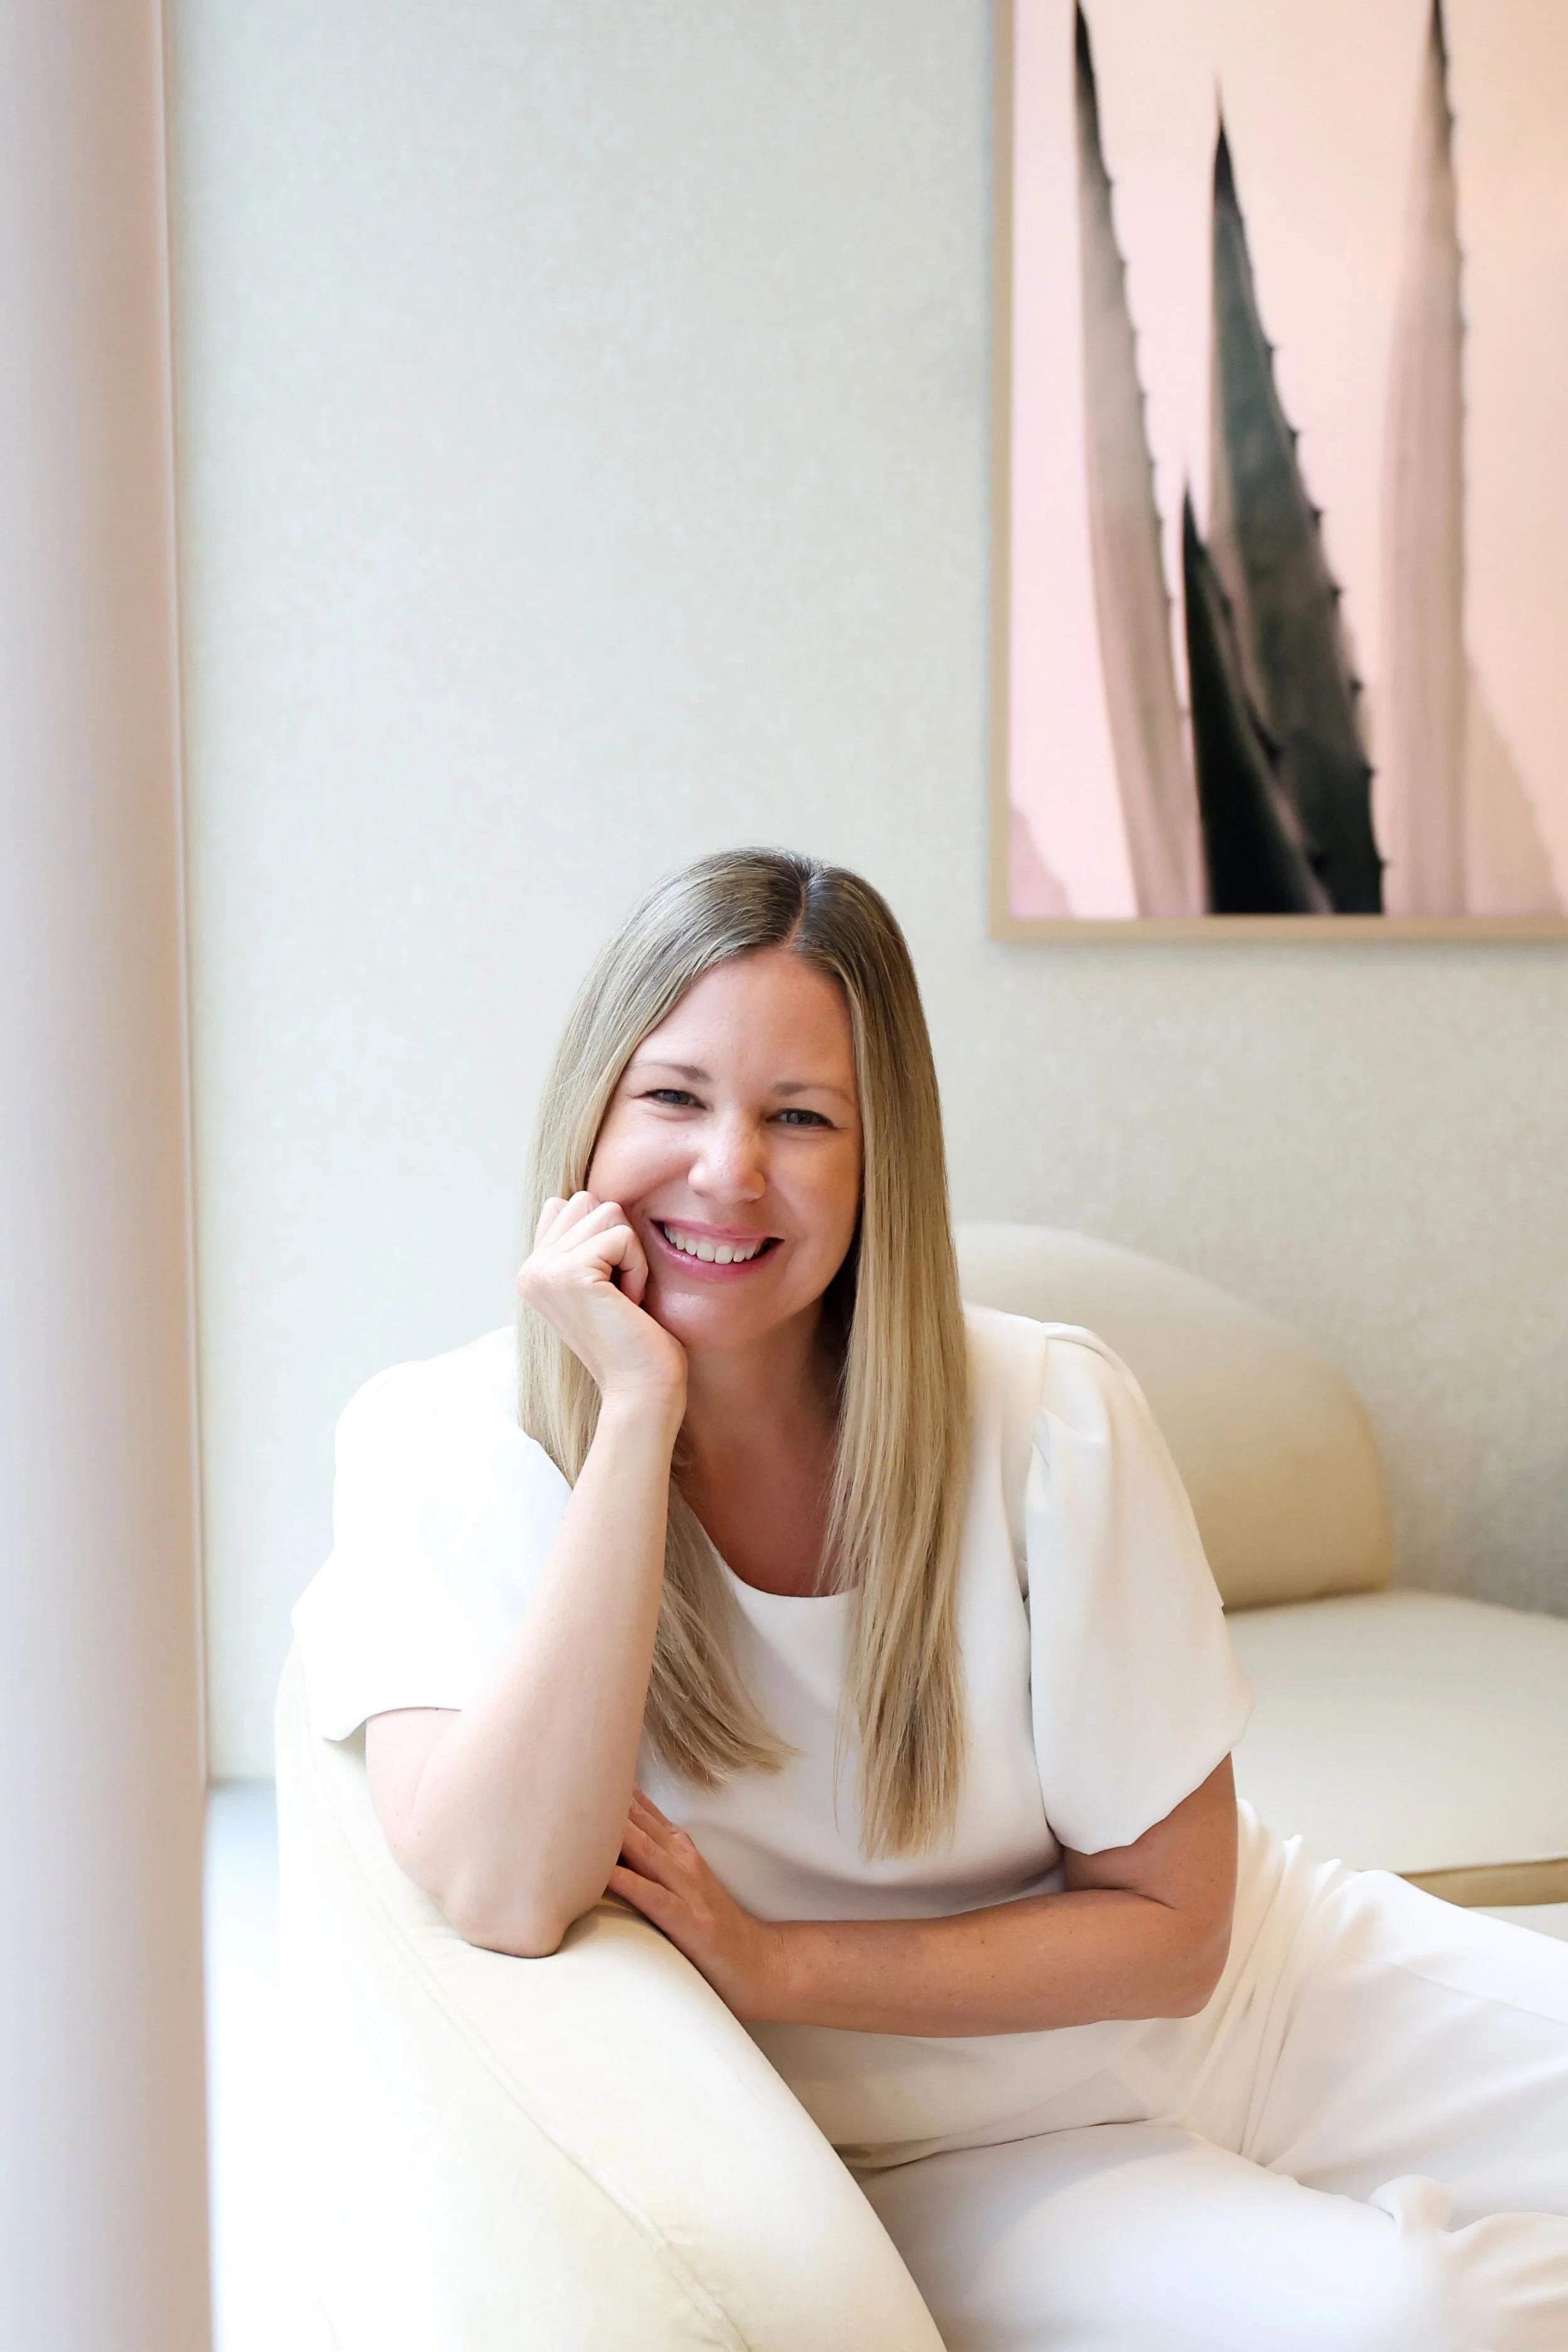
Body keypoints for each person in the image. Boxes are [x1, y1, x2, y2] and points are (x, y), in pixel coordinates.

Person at [293, 848, 1568, 2350]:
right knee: (1428, 2319)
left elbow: (1175, 1928)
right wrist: (635, 1418)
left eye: (801, 1117)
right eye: (676, 1098)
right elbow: (502, 1892)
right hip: (964, 2155)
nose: (728, 1171)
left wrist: (781, 1964)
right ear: (590, 1111)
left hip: (1261, 2012)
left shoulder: (1046, 1411)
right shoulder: (442, 1443)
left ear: (880, 1151)